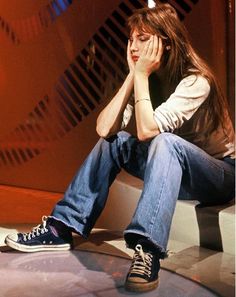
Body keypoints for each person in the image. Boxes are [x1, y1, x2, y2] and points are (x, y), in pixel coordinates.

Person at [5, 2, 235, 293]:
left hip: (219, 175)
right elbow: (104, 130)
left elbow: (148, 131)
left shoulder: (196, 80)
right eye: (131, 40)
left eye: (143, 39)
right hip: (170, 168)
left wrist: (139, 76)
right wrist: (132, 77)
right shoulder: (145, 79)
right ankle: (61, 227)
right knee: (116, 141)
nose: (134, 47)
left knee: (164, 141)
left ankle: (147, 250)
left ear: (165, 43)